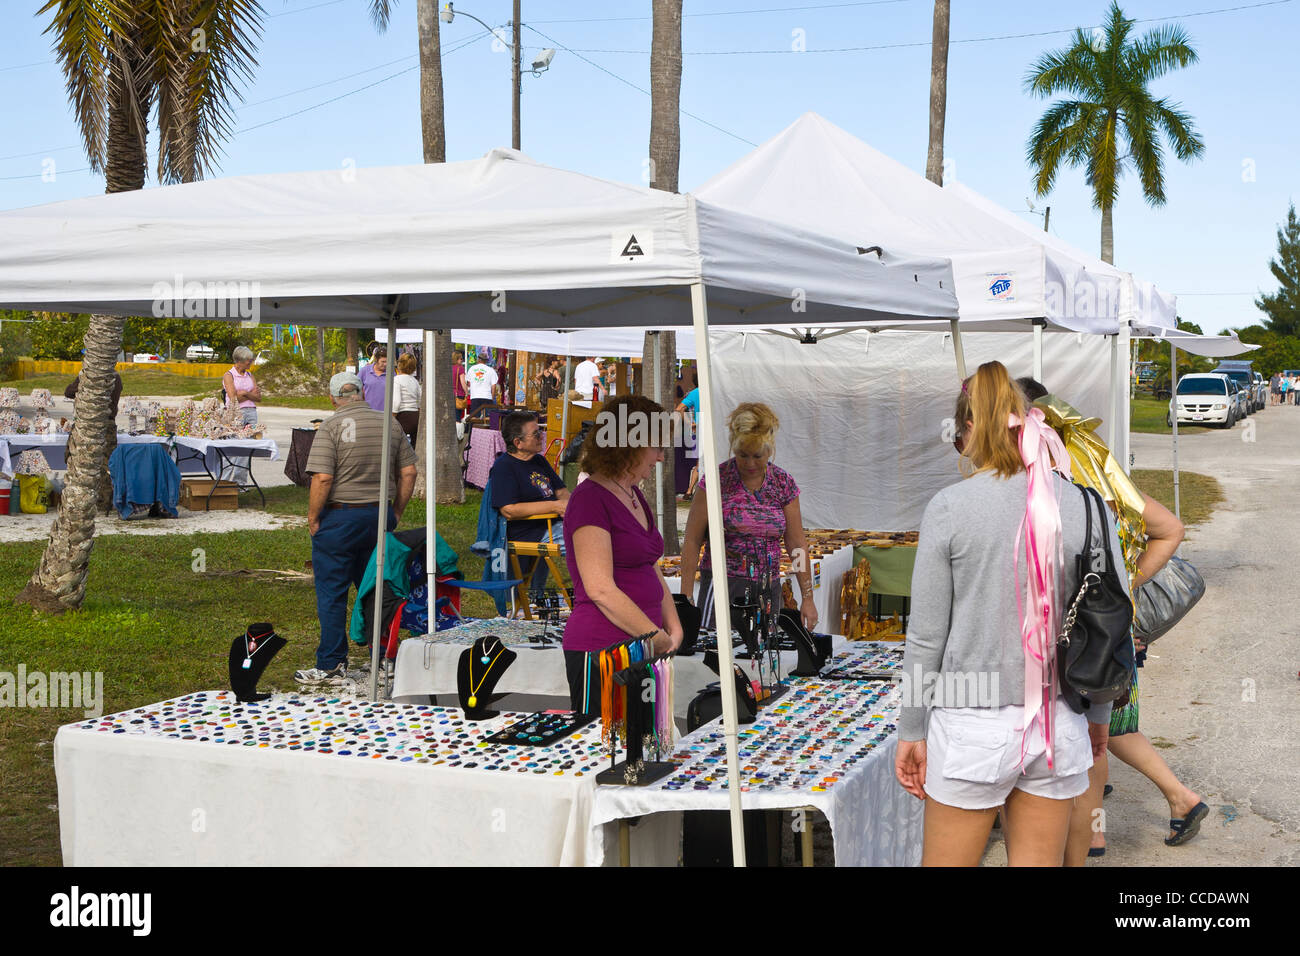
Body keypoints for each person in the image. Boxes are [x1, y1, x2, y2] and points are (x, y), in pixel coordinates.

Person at [895, 361, 1124, 866]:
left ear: (969, 427)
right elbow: (1111, 624)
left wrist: (911, 729)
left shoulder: (950, 507)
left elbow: (926, 636)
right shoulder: (1090, 507)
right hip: (1059, 719)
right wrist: (1100, 715)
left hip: (969, 726)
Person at [1015, 377, 1206, 860]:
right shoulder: (1099, 470)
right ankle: (1104, 828)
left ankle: (1107, 829)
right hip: (1107, 629)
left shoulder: (1062, 476)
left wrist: (1118, 590)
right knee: (1104, 728)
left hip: (1095, 632)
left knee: (1103, 731)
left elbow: (1171, 530)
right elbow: (1172, 528)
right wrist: (1118, 591)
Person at [562, 394, 683, 713]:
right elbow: (600, 588)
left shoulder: (632, 495)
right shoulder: (590, 498)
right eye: (655, 446)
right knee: (607, 753)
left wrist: (672, 623)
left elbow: (648, 564)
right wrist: (654, 634)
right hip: (604, 648)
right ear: (630, 443)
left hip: (642, 646)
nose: (659, 456)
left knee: (644, 749)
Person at [295, 372, 418, 685]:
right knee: (375, 589)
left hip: (340, 518)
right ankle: (382, 658)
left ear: (333, 398)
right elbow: (409, 472)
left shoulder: (331, 426)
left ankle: (332, 663)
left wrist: (312, 517)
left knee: (332, 592)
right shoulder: (390, 424)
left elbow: (322, 478)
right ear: (362, 392)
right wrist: (396, 511)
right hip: (379, 515)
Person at [678, 402, 817, 632]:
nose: (750, 464)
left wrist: (808, 597)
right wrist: (685, 597)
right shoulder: (717, 480)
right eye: (742, 455)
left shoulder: (783, 483)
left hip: (767, 589)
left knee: (762, 661)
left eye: (757, 456)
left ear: (770, 449)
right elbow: (692, 541)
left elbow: (797, 544)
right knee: (716, 658)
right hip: (722, 587)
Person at [490, 411, 570, 595]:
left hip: (552, 525)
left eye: (540, 431)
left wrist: (572, 506)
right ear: (518, 443)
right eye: (536, 434)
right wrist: (555, 506)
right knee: (588, 542)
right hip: (529, 532)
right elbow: (509, 510)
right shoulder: (504, 467)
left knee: (598, 532)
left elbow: (562, 492)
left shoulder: (539, 461)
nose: (542, 436)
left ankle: (537, 599)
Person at [222, 346, 261, 425]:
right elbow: (233, 400)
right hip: (236, 412)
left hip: (252, 412)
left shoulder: (250, 375)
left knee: (252, 436)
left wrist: (245, 393)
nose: (250, 362)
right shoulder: (229, 375)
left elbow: (258, 398)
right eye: (248, 360)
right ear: (239, 361)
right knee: (236, 436)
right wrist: (251, 395)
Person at [393, 352, 422, 445]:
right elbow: (420, 400)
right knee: (414, 446)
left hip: (402, 416)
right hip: (415, 416)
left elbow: (396, 402)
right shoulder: (415, 381)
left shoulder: (396, 380)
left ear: (399, 364)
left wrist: (392, 417)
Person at [358, 346, 388, 411]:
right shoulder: (364, 371)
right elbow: (356, 388)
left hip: (385, 414)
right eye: (383, 362)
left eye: (387, 361)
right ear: (376, 360)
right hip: (367, 412)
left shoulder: (392, 373)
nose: (385, 364)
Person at [452, 350, 468, 416]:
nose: (462, 360)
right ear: (457, 359)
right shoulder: (460, 368)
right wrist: (467, 392)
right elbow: (463, 382)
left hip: (450, 394)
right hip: (459, 394)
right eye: (461, 358)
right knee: (457, 416)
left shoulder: (449, 368)